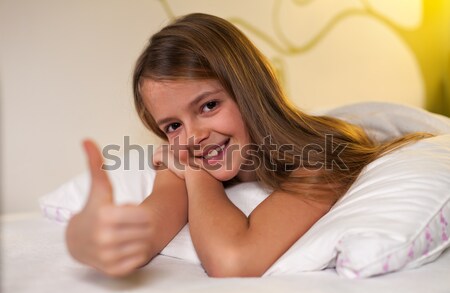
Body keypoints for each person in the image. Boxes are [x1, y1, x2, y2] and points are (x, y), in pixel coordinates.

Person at [66, 13, 429, 278]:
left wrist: (195, 174)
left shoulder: (323, 158)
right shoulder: (183, 158)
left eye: (209, 106)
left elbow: (234, 261)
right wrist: (91, 238)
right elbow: (148, 227)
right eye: (173, 125)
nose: (192, 137)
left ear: (249, 92)